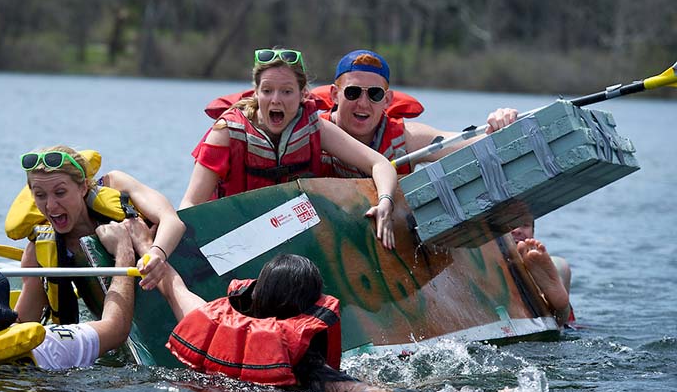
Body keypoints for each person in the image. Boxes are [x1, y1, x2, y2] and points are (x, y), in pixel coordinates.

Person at [179, 48, 398, 250]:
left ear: (303, 94)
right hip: (229, 241)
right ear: (256, 93)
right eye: (267, 91)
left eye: (286, 91)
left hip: (292, 240)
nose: (276, 100)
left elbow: (380, 164)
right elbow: (189, 205)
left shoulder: (315, 127)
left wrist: (385, 201)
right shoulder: (227, 133)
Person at [0, 219, 140, 370]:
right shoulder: (51, 344)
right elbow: (116, 328)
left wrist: (32, 270)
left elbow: (16, 325)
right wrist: (124, 252)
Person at [152, 252, 390, 392]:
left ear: (258, 292)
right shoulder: (311, 373)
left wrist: (148, 247)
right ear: (310, 307)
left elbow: (174, 288)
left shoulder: (212, 326)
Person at [8, 145, 185, 325]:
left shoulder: (118, 187)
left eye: (60, 193)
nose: (51, 206)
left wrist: (155, 253)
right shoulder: (38, 254)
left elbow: (172, 220)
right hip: (120, 325)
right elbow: (23, 325)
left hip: (176, 280)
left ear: (83, 187)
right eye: (40, 195)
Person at [314, 49, 519, 177]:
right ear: (334, 94)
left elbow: (466, 146)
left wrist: (501, 126)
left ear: (387, 100)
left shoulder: (406, 139)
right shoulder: (312, 132)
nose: (363, 103)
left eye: (374, 95)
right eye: (353, 92)